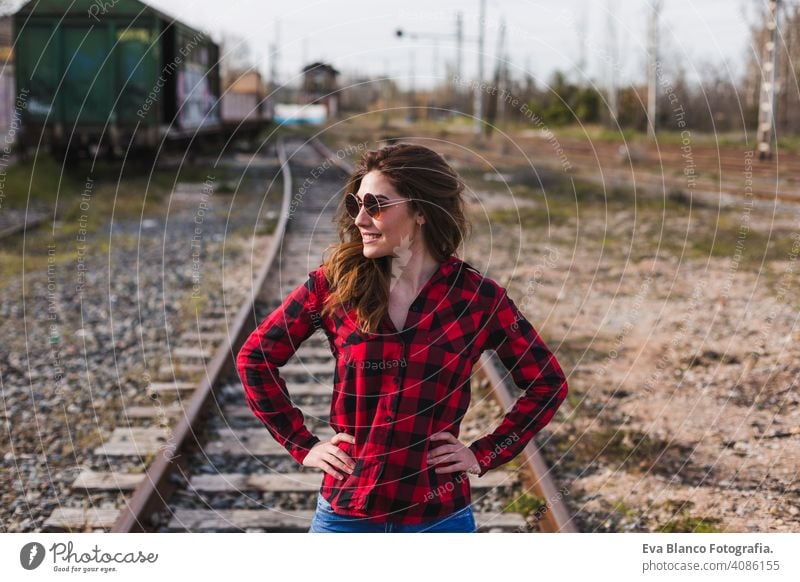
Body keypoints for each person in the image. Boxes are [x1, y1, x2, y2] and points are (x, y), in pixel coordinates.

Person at [235, 143, 569, 533]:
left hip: (439, 518)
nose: (360, 219)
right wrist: (302, 444)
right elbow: (255, 357)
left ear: (422, 211)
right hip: (347, 514)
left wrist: (484, 454)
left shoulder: (476, 298)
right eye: (355, 204)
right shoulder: (334, 286)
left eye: (376, 205)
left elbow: (547, 383)